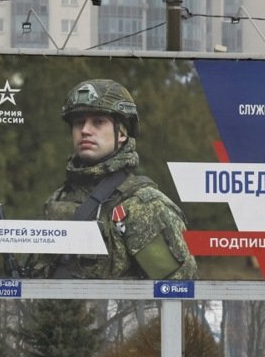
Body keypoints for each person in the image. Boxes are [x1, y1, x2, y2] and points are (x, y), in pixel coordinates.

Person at [34, 78, 197, 280]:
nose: (85, 130)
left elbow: (175, 292)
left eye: (98, 122)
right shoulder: (58, 199)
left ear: (121, 133)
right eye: (78, 122)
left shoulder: (143, 206)